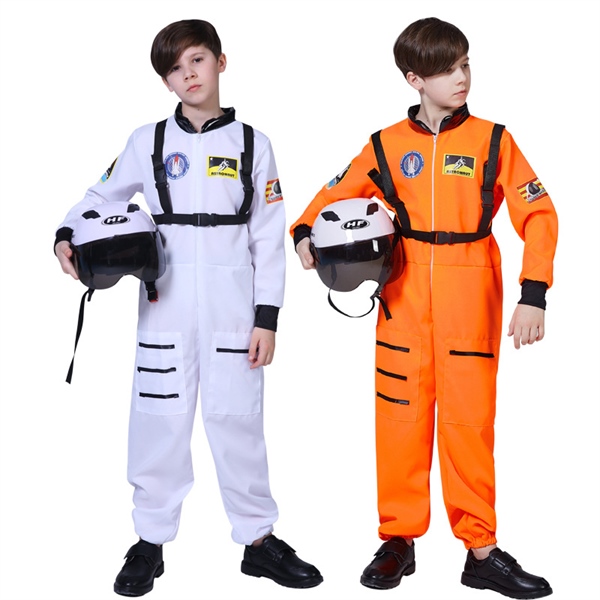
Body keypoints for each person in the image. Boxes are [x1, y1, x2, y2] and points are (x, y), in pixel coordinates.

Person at [290, 17, 557, 600]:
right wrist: (306, 232)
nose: (462, 77)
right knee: (399, 421)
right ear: (415, 79)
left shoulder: (493, 140)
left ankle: (480, 551)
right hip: (403, 298)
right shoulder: (386, 145)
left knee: (468, 425)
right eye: (447, 69)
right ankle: (398, 540)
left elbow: (539, 214)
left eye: (465, 64)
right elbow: (334, 193)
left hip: (470, 296)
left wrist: (533, 293)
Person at [55, 18, 322, 597]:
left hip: (233, 310)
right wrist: (66, 234)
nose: (189, 75)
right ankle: (149, 542)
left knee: (239, 422)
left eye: (197, 60)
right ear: (167, 83)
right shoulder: (147, 141)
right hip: (165, 305)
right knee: (158, 422)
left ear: (220, 62)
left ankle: (258, 541)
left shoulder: (253, 144)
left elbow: (267, 238)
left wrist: (267, 318)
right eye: (175, 70)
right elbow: (99, 196)